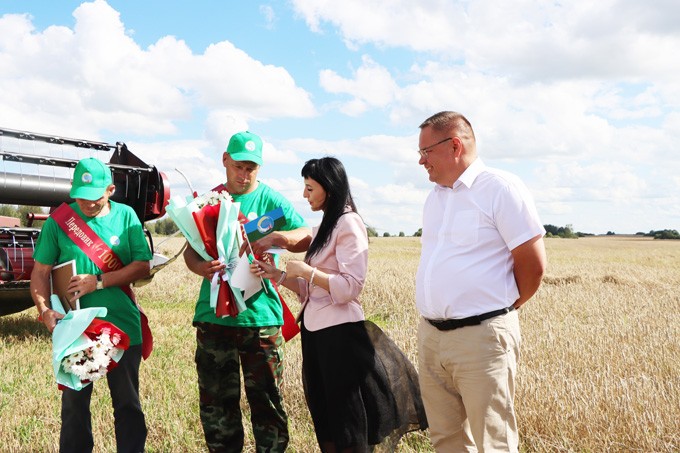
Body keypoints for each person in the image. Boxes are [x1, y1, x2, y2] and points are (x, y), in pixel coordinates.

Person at [252, 157, 428, 453]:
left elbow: (349, 287)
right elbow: (311, 290)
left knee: (347, 423)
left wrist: (305, 270)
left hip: (340, 338)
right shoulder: (326, 225)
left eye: (309, 188)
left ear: (329, 189)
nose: (304, 195)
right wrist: (279, 275)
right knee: (326, 419)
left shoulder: (350, 223)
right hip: (317, 335)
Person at [415, 111, 547, 452]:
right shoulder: (435, 198)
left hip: (482, 339)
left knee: (493, 441)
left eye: (426, 151)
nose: (420, 160)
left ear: (455, 145)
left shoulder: (500, 188)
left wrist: (502, 308)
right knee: (445, 439)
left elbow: (532, 266)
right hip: (432, 337)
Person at [183, 131, 311, 453]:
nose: (245, 174)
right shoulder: (209, 202)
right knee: (216, 407)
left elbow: (306, 234)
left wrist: (276, 239)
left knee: (268, 403)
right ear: (225, 160)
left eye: (252, 168)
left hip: (261, 319)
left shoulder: (271, 201)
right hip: (214, 318)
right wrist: (202, 268)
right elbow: (190, 252)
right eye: (239, 166)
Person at [30, 157, 152, 453]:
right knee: (74, 406)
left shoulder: (126, 217)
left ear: (110, 189)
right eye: (81, 198)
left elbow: (142, 267)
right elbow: (40, 271)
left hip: (122, 325)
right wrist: (44, 309)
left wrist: (98, 281)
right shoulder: (60, 222)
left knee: (127, 404)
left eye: (95, 198)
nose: (87, 204)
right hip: (77, 329)